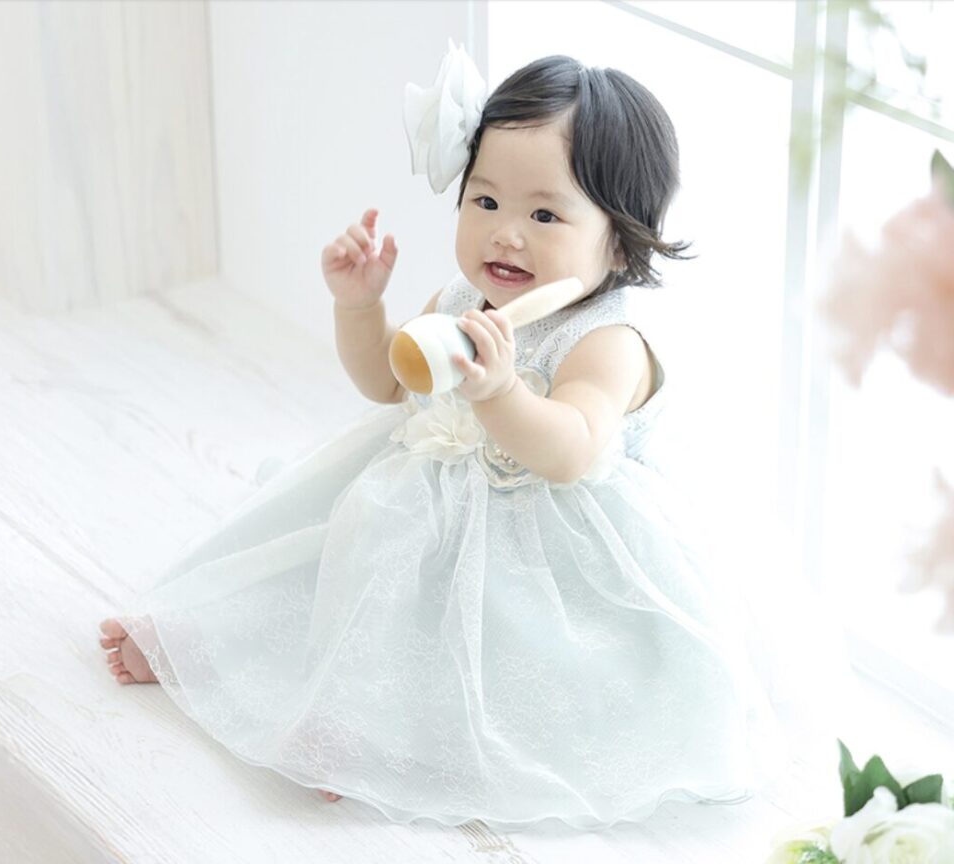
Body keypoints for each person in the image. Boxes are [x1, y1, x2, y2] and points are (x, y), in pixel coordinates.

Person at [98, 48, 842, 831]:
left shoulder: (606, 342)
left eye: (545, 215)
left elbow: (571, 450)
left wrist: (502, 393)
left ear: (621, 243)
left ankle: (365, 738)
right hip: (422, 511)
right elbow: (391, 382)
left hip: (552, 552)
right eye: (485, 200)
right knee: (347, 560)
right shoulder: (462, 298)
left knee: (505, 666)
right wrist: (360, 306)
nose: (506, 234)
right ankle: (211, 651)